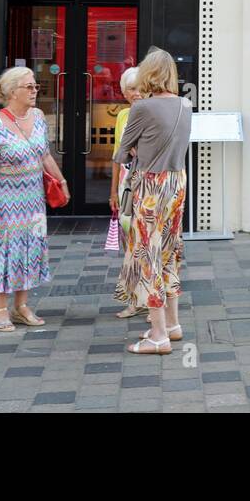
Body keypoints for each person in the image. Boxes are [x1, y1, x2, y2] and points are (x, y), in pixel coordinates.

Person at [113, 48, 193, 354]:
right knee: (171, 251)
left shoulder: (142, 108)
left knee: (149, 255)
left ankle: (158, 335)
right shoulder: (185, 105)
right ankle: (172, 324)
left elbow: (122, 151)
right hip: (177, 183)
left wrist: (135, 151)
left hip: (150, 184)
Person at [0, 66, 69, 332]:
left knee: (31, 248)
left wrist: (61, 182)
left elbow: (45, 155)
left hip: (34, 199)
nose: (34, 91)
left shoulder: (39, 116)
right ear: (11, 91)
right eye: (29, 87)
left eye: (35, 86)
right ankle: (1, 308)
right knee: (6, 250)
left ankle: (23, 305)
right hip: (6, 201)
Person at [110, 66, 144, 320]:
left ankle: (152, 301)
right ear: (124, 92)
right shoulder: (122, 115)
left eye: (141, 88)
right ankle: (134, 300)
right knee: (130, 243)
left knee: (148, 242)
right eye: (131, 89)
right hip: (127, 184)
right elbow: (117, 155)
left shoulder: (153, 113)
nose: (137, 93)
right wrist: (113, 192)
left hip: (150, 184)